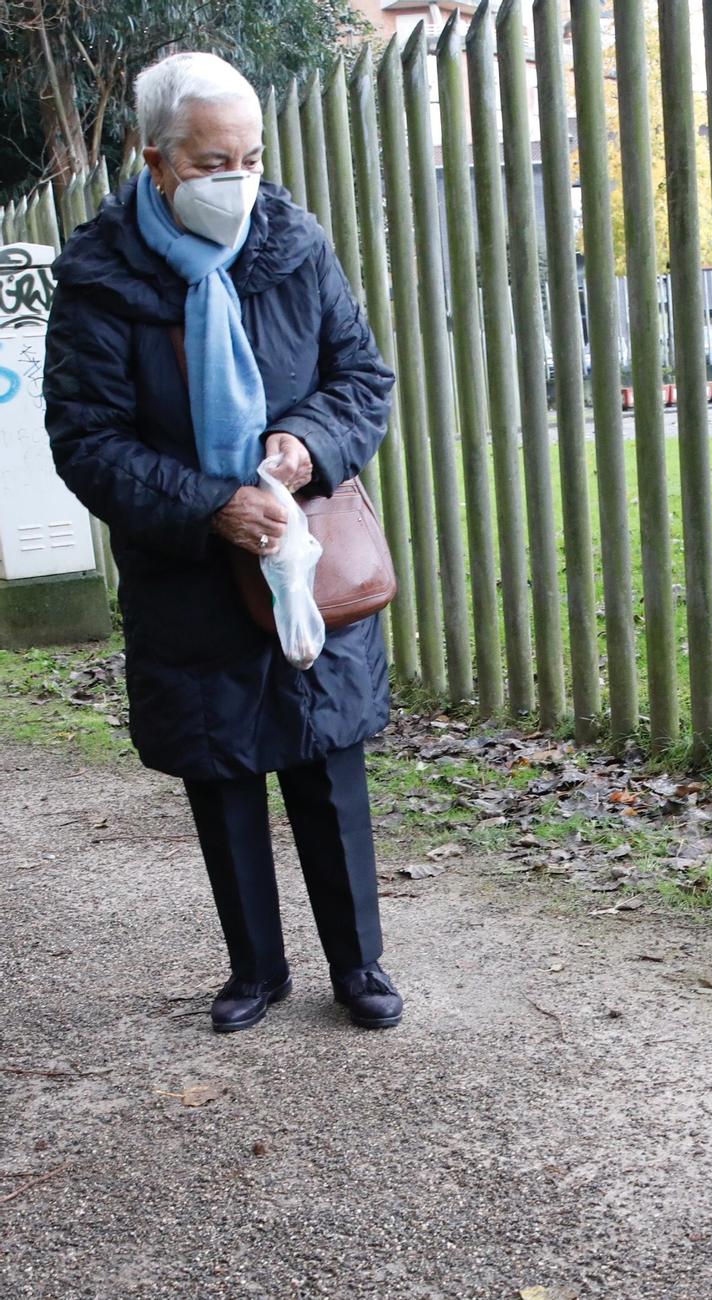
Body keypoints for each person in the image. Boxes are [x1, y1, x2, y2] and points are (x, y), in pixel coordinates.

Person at [44, 51, 402, 1034]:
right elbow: (88, 443)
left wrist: (305, 444)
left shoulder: (295, 244)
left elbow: (361, 378)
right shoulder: (102, 281)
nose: (236, 179)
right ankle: (255, 969)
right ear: (155, 160)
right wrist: (212, 506)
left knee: (328, 764)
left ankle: (358, 965)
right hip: (189, 574)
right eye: (212, 161)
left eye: (248, 156)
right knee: (223, 770)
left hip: (306, 554)